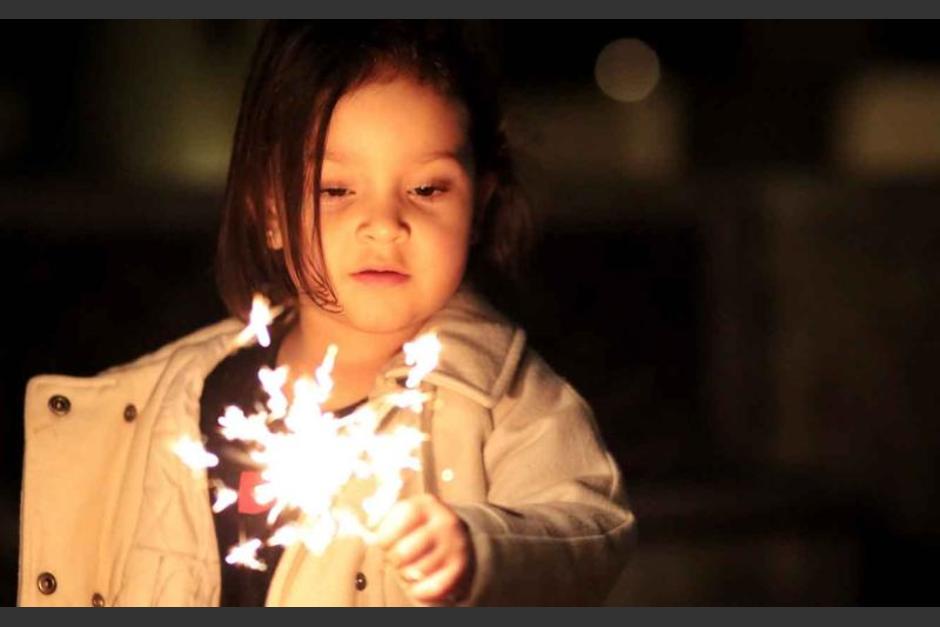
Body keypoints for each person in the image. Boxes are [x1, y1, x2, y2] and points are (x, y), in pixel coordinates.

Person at [19, 20, 635, 607]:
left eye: (427, 188)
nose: (383, 225)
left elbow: (588, 529)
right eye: (335, 190)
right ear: (269, 206)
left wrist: (483, 551)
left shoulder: (505, 404)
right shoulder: (175, 398)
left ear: (480, 202)